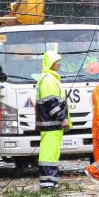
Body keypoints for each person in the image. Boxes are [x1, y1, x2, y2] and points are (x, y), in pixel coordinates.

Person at [36, 49, 70, 189]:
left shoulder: (50, 78)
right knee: (48, 155)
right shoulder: (48, 79)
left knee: (51, 154)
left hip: (51, 124)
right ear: (51, 63)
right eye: (57, 62)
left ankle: (51, 181)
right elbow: (51, 103)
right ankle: (48, 182)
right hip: (51, 124)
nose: (59, 64)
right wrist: (62, 118)